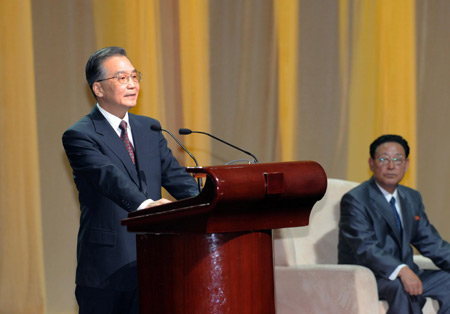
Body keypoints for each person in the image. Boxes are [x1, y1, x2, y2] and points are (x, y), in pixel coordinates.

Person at [62, 46, 199, 314]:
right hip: (107, 268)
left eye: (135, 77)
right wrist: (146, 205)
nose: (132, 84)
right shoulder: (80, 135)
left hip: (156, 261)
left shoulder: (149, 128)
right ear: (98, 89)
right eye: (122, 78)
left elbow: (175, 177)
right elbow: (109, 178)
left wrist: (211, 202)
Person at [338, 134, 450, 314]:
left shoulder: (412, 198)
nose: (391, 166)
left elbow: (430, 242)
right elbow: (366, 246)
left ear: (406, 165)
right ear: (371, 163)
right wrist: (402, 270)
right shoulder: (355, 200)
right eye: (384, 159)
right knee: (402, 288)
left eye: (397, 160)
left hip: (404, 273)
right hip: (371, 275)